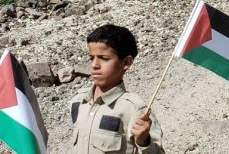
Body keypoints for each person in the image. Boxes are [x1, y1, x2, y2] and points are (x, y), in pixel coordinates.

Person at [70, 24, 164, 154]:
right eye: (92, 58)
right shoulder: (78, 101)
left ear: (126, 63)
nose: (94, 65)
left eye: (104, 58)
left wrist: (144, 141)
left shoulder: (134, 110)